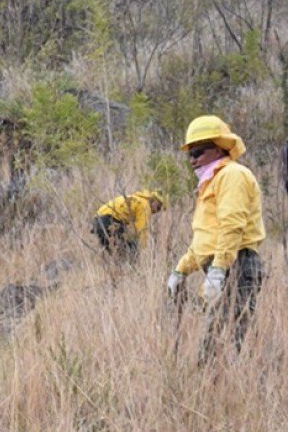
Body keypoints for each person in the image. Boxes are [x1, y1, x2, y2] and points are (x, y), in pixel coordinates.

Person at [166, 115, 265, 364]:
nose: (192, 160)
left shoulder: (232, 175)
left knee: (225, 343)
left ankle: (232, 385)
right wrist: (181, 270)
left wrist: (219, 269)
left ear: (219, 148)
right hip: (222, 265)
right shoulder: (211, 181)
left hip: (237, 265)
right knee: (214, 342)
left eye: (198, 152)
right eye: (190, 154)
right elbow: (205, 237)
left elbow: (232, 226)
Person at [92, 190, 166, 254]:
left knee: (116, 253)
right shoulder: (145, 206)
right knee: (132, 250)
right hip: (108, 221)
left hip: (97, 221)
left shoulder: (136, 198)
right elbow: (142, 230)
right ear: (154, 201)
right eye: (158, 207)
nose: (157, 211)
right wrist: (143, 250)